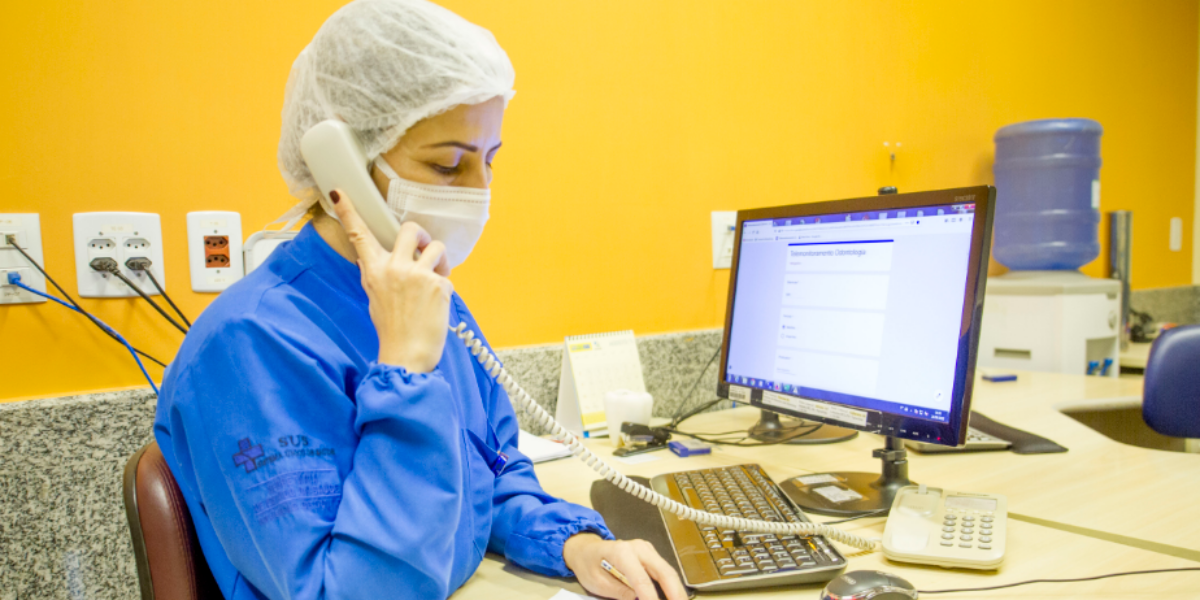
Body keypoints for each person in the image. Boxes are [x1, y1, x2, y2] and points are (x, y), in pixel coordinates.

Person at [152, 1, 687, 599]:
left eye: (489, 162)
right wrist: (403, 371)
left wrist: (577, 544)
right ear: (343, 165)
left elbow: (488, 475)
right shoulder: (248, 346)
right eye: (449, 165)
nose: (480, 194)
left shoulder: (430, 302)